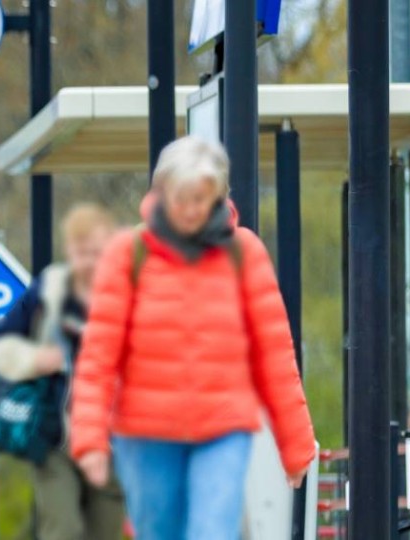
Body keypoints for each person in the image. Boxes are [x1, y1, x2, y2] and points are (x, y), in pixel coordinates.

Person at [68, 136, 316, 540]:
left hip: (223, 428)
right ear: (161, 192)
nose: (189, 209)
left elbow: (273, 353)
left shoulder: (244, 252)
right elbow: (99, 354)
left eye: (200, 198)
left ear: (218, 195)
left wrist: (296, 445)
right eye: (180, 197)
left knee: (212, 531)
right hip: (145, 431)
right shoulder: (127, 254)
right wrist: (90, 438)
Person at [0, 205, 126, 540]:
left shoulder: (126, 293)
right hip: (54, 437)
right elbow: (1, 346)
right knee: (63, 529)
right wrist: (36, 359)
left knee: (104, 531)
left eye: (97, 252)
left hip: (112, 437)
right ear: (69, 249)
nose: (90, 261)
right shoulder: (49, 291)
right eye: (81, 251)